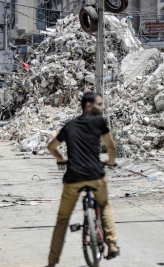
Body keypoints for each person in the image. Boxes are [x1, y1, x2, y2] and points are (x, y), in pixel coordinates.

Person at [46, 92, 120, 267]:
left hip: (73, 178)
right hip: (96, 176)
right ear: (89, 106)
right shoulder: (99, 122)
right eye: (100, 104)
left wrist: (60, 158)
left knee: (62, 220)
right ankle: (112, 244)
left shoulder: (70, 126)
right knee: (104, 205)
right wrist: (111, 162)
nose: (103, 108)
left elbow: (52, 147)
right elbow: (110, 145)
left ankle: (52, 262)